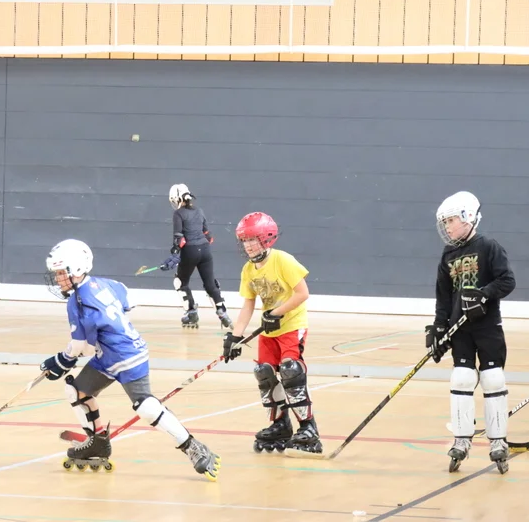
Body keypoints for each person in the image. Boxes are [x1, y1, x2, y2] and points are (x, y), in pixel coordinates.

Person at [40, 238, 221, 479]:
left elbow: (83, 348)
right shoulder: (106, 284)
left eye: (62, 273)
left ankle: (192, 446)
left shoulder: (77, 302)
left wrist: (61, 361)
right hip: (110, 356)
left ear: (78, 269)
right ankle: (97, 443)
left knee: (145, 406)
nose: (58, 279)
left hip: (126, 357)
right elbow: (128, 300)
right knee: (76, 391)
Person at [427, 191, 515, 474]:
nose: (448, 227)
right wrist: (439, 327)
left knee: (493, 378)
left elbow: (507, 281)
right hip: (460, 329)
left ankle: (498, 441)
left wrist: (484, 294)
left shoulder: (488, 246)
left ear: (468, 217)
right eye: (445, 222)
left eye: (451, 220)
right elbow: (443, 295)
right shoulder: (448, 254)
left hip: (488, 327)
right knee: (462, 378)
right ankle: (461, 439)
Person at [222, 212, 321, 455]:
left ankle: (308, 427)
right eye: (244, 241)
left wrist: (276, 313)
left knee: (290, 370)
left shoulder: (282, 260)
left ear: (267, 238)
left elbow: (302, 293)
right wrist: (235, 337)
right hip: (269, 330)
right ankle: (280, 425)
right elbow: (248, 305)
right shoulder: (248, 270)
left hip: (291, 325)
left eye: (252, 240)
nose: (247, 245)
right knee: (264, 373)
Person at [165, 184, 231, 330]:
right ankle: (222, 312)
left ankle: (191, 313)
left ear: (176, 199)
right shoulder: (199, 211)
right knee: (210, 284)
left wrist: (174, 256)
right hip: (205, 250)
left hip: (190, 251)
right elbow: (208, 236)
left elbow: (179, 238)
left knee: (180, 282)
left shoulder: (178, 214)